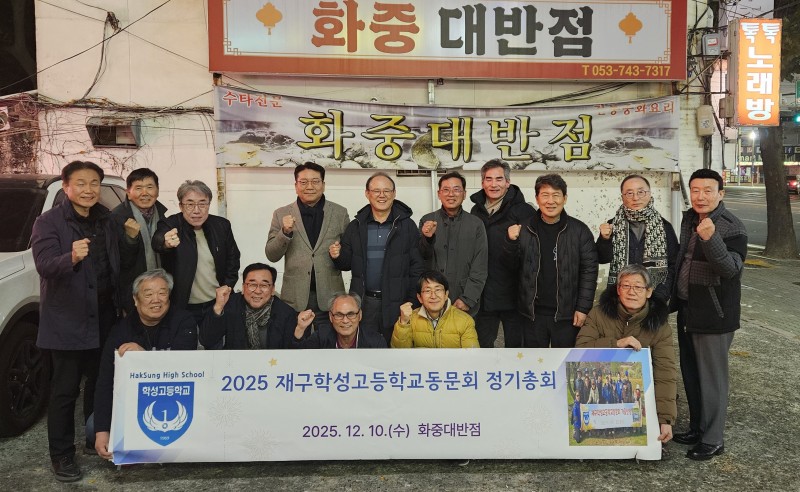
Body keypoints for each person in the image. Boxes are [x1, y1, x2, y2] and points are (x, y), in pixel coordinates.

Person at [31, 160, 120, 482]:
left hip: (104, 316)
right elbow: (44, 265)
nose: (88, 189)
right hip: (68, 319)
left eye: (94, 183)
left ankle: (93, 437)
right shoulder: (48, 222)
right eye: (80, 183)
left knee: (99, 383)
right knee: (65, 391)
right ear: (67, 187)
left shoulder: (106, 218)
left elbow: (116, 263)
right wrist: (70, 257)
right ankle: (62, 455)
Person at [671, 169, 747, 461]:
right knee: (691, 374)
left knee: (712, 380)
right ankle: (697, 428)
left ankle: (713, 439)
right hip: (688, 308)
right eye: (695, 190)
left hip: (714, 314)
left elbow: (731, 269)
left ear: (720, 194)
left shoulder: (732, 226)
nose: (700, 196)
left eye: (708, 190)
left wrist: (711, 238)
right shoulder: (690, 218)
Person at [92, 269, 197, 460]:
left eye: (162, 293)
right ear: (135, 299)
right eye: (148, 294)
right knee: (93, 427)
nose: (156, 300)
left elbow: (184, 366)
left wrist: (144, 357)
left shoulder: (184, 321)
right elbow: (105, 382)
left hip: (178, 397)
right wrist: (102, 432)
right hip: (135, 401)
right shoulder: (121, 330)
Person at [576, 263, 677, 444]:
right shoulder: (599, 314)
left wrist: (665, 419)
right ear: (618, 289)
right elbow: (581, 350)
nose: (632, 292)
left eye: (638, 287)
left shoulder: (659, 325)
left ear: (649, 292)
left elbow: (665, 373)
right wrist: (615, 344)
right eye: (626, 286)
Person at [329, 172, 423, 344]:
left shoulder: (407, 226)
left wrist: (411, 301)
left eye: (386, 191)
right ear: (367, 193)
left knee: (396, 348)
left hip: (398, 303)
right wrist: (337, 256)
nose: (382, 195)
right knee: (365, 349)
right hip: (364, 302)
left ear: (394, 194)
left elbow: (416, 267)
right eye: (376, 191)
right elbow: (346, 264)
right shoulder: (356, 226)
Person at [506, 174, 598, 348]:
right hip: (531, 315)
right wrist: (511, 242)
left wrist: (583, 308)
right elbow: (511, 268)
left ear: (565, 198)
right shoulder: (523, 229)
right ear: (537, 199)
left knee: (566, 363)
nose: (550, 201)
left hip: (567, 316)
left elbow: (589, 271)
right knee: (534, 362)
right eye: (545, 195)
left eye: (556, 195)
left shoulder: (579, 231)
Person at [265, 162, 349, 325]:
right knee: (295, 339)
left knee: (329, 340)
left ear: (323, 185)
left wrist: (339, 255)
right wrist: (285, 232)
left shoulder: (340, 213)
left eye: (315, 181)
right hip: (294, 299)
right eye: (303, 182)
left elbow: (349, 256)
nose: (309, 186)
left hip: (331, 298)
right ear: (296, 186)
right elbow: (271, 255)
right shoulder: (281, 213)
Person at [152, 180, 240, 326]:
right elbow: (157, 240)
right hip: (183, 305)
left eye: (202, 204)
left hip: (216, 302)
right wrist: (165, 242)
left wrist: (227, 286)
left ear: (209, 205)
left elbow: (233, 259)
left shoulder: (221, 225)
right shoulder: (171, 224)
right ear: (181, 206)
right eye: (190, 204)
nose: (196, 210)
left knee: (215, 338)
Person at [469, 159, 535, 348]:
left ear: (507, 182)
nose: (493, 184)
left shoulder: (524, 211)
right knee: (483, 347)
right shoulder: (476, 210)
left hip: (515, 296)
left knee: (517, 350)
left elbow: (531, 254)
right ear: (482, 183)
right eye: (488, 179)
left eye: (499, 179)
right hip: (484, 295)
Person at [596, 174, 679, 304]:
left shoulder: (664, 227)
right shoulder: (613, 225)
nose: (635, 198)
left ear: (649, 194)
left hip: (653, 297)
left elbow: (673, 264)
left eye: (641, 192)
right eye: (629, 193)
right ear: (622, 197)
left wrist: (661, 294)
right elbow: (602, 258)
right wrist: (604, 239)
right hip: (619, 297)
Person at [418, 172, 488, 317]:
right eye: (446, 190)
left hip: (462, 299)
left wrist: (467, 298)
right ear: (439, 194)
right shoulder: (427, 220)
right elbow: (421, 258)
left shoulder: (475, 224)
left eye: (456, 189)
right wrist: (427, 239)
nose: (451, 194)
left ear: (464, 194)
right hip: (431, 300)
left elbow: (480, 266)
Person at [200, 263, 298, 349]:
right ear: (243, 288)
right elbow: (207, 341)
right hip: (235, 363)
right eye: (252, 284)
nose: (258, 291)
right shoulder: (231, 304)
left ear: (272, 290)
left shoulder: (286, 313)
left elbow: (292, 353)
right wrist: (218, 307)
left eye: (264, 285)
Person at [111, 168, 168, 315]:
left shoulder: (163, 216)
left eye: (149, 187)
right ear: (128, 193)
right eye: (138, 188)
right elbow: (117, 262)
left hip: (161, 288)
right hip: (131, 292)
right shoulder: (116, 218)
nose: (145, 193)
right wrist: (130, 239)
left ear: (157, 191)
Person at [391, 270, 480, 348]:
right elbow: (400, 355)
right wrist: (403, 323)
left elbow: (472, 357)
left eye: (438, 290)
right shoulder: (411, 319)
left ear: (446, 294)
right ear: (419, 297)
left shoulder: (465, 321)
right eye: (427, 291)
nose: (433, 296)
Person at [292, 293, 387, 348]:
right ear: (330, 316)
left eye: (351, 314)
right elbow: (298, 358)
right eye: (339, 315)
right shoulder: (321, 336)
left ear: (360, 315)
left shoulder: (376, 342)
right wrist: (300, 328)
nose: (345, 320)